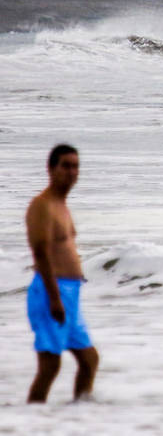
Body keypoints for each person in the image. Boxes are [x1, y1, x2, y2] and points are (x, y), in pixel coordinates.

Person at [25, 144, 99, 403]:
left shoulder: (61, 204)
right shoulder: (41, 206)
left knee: (89, 359)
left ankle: (79, 418)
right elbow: (40, 253)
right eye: (65, 166)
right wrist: (55, 298)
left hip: (69, 293)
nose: (72, 172)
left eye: (75, 166)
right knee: (50, 366)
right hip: (50, 291)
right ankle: (31, 421)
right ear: (51, 169)